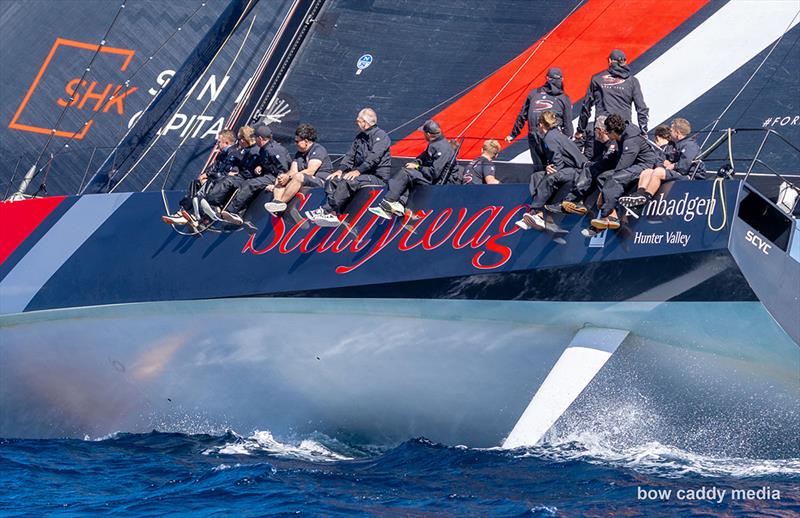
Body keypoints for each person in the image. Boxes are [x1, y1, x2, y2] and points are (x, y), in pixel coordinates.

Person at [305, 108, 391, 227]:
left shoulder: (381, 136)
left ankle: (326, 210)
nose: (357, 123)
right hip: (361, 174)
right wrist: (340, 170)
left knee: (348, 180)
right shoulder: (359, 137)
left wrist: (357, 171)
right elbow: (350, 156)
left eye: (358, 121)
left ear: (364, 123)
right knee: (332, 180)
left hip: (377, 177)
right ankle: (333, 213)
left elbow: (374, 158)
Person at [515, 111, 588, 231]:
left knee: (549, 178)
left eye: (538, 124)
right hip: (573, 169)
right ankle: (540, 217)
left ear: (541, 125)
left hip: (579, 172)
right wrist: (549, 167)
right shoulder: (555, 134)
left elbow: (558, 162)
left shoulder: (550, 138)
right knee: (537, 176)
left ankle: (535, 212)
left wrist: (552, 169)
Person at [370, 119, 454, 219]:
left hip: (435, 181)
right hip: (428, 176)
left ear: (428, 134)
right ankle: (399, 205)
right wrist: (415, 163)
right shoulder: (435, 143)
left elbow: (434, 173)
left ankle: (388, 202)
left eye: (424, 133)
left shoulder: (443, 148)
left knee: (406, 173)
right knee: (408, 170)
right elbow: (422, 158)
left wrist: (418, 167)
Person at [589, 113, 655, 230]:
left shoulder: (631, 140)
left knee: (615, 178)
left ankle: (605, 215)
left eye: (608, 132)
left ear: (614, 132)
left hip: (645, 166)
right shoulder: (622, 136)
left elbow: (622, 168)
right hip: (635, 165)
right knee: (602, 177)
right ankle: (612, 214)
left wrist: (603, 193)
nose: (607, 135)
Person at [620, 118, 705, 207]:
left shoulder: (690, 146)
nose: (669, 133)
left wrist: (673, 165)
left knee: (658, 172)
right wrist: (664, 165)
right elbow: (660, 159)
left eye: (671, 130)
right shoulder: (671, 145)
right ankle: (639, 195)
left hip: (689, 176)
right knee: (647, 172)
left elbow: (684, 166)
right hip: (674, 172)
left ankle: (646, 197)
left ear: (677, 133)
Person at [162, 129, 239, 227]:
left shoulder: (234, 154)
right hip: (215, 178)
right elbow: (214, 167)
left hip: (222, 181)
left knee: (205, 185)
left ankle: (190, 214)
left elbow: (226, 171)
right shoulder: (222, 153)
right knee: (195, 183)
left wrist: (208, 175)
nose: (217, 144)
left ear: (226, 142)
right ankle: (184, 212)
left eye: (219, 142)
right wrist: (206, 174)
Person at [220, 124, 290, 224]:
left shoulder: (274, 150)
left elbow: (284, 170)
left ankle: (233, 211)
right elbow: (268, 163)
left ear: (260, 138)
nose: (254, 140)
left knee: (251, 184)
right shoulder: (263, 149)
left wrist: (275, 184)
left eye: (255, 137)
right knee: (247, 182)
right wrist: (260, 166)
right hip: (268, 175)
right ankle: (239, 213)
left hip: (275, 177)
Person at [505, 68, 572, 171]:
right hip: (544, 136)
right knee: (550, 168)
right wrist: (567, 139)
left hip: (543, 135)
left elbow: (522, 115)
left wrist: (513, 134)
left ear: (547, 78)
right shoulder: (562, 97)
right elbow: (568, 123)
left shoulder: (535, 94)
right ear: (562, 79)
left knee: (543, 168)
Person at [575, 50, 649, 143]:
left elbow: (586, 106)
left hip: (603, 129)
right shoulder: (633, 81)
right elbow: (641, 108)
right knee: (623, 156)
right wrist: (644, 131)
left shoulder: (597, 79)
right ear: (625, 62)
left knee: (601, 157)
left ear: (610, 61)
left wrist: (580, 129)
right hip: (623, 129)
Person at [264, 123, 333, 215]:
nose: (295, 143)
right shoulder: (299, 153)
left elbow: (311, 171)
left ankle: (280, 204)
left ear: (306, 141)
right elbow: (293, 171)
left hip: (322, 182)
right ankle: (276, 204)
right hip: (305, 179)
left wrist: (289, 178)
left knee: (299, 177)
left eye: (297, 141)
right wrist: (285, 176)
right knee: (281, 176)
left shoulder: (318, 150)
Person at [560, 114, 620, 215]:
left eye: (595, 131)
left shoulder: (612, 142)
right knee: (591, 169)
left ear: (600, 130)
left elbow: (607, 161)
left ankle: (573, 199)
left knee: (591, 170)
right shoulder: (603, 144)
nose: (594, 134)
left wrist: (589, 165)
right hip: (608, 168)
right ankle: (576, 201)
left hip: (617, 170)